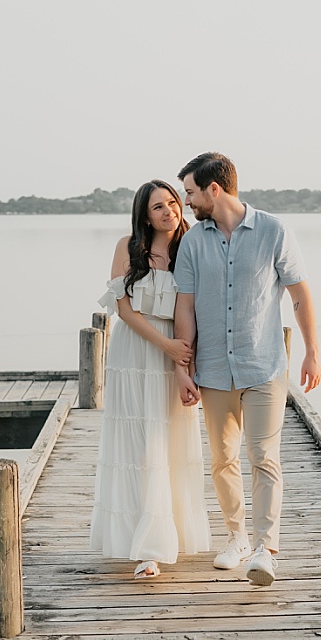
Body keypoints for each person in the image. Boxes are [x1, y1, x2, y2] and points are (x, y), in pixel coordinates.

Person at [171, 152, 321, 587]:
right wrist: (184, 367)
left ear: (213, 189)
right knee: (222, 459)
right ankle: (236, 538)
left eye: (191, 191)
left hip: (264, 367)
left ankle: (265, 548)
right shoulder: (194, 243)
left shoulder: (274, 231)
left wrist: (313, 351)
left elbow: (299, 296)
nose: (187, 201)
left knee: (263, 456)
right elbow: (186, 308)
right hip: (214, 370)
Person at [88, 180, 213, 577]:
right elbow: (124, 311)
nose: (169, 211)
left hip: (175, 354)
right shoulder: (128, 247)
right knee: (138, 445)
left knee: (167, 442)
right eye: (158, 206)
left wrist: (182, 361)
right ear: (145, 214)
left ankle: (164, 537)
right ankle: (144, 545)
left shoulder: (190, 248)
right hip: (135, 352)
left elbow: (193, 310)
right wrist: (167, 346)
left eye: (173, 203)